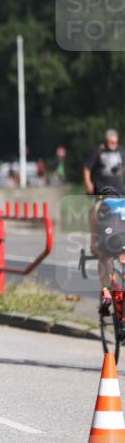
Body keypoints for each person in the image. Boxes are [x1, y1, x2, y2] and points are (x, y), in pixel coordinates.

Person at [85, 129, 125, 309]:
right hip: (102, 193)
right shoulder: (98, 152)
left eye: (115, 143)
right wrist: (89, 185)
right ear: (105, 142)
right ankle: (106, 293)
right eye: (110, 143)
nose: (113, 146)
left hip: (120, 195)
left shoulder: (121, 151)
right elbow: (87, 168)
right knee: (103, 252)